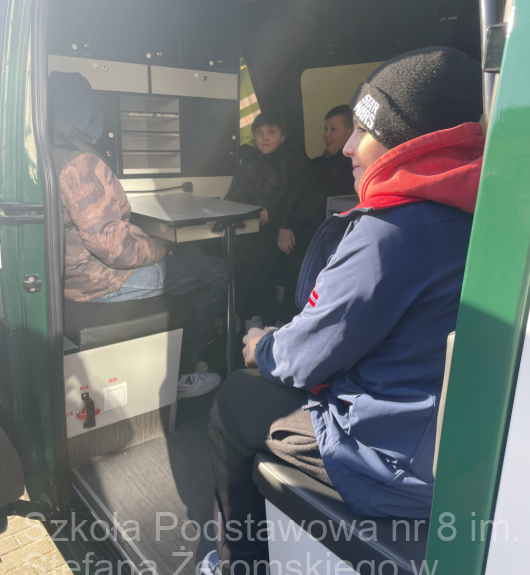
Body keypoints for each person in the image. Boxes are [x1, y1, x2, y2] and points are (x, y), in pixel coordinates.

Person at [198, 47, 485, 575]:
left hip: (389, 459)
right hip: (448, 446)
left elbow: (304, 358)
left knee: (237, 399)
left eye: (361, 130)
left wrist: (261, 345)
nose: (349, 147)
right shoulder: (475, 212)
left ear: (404, 143)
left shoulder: (390, 232)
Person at [48, 71, 228, 398]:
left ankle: (180, 349)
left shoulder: (50, 153)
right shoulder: (80, 163)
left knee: (195, 257)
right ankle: (183, 372)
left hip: (74, 277)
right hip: (104, 281)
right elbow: (115, 249)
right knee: (216, 271)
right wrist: (159, 247)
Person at [272, 105, 355, 323]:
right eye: (325, 129)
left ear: (350, 132)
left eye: (333, 129)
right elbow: (291, 196)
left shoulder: (354, 169)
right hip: (298, 235)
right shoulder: (314, 165)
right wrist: (284, 226)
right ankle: (278, 324)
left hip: (327, 240)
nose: (326, 135)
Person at [225, 110, 307, 329]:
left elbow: (296, 200)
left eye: (271, 132)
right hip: (245, 227)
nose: (264, 137)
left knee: (255, 259)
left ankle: (263, 321)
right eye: (259, 132)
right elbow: (232, 197)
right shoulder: (247, 165)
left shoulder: (294, 163)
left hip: (278, 228)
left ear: (283, 136)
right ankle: (248, 316)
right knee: (233, 257)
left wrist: (274, 216)